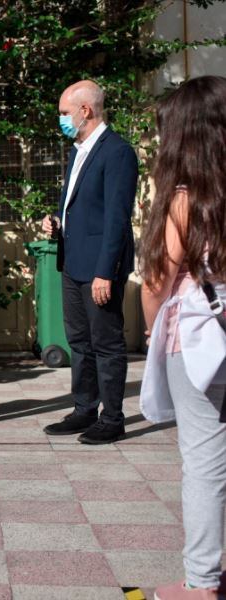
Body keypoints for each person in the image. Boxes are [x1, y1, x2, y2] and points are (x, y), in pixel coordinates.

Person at [138, 76, 226, 600]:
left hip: (197, 337)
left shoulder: (183, 200)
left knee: (203, 460)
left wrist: (153, 326)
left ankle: (201, 582)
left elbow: (157, 282)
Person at [41, 80, 139, 445]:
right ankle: (84, 408)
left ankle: (112, 417)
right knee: (79, 341)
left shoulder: (117, 152)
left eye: (65, 113)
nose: (61, 120)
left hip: (99, 267)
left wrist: (105, 273)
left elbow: (116, 217)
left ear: (86, 110)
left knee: (106, 343)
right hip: (72, 262)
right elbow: (79, 204)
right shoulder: (77, 150)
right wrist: (56, 219)